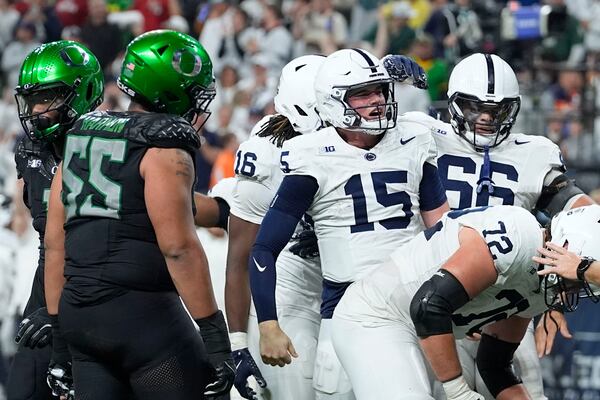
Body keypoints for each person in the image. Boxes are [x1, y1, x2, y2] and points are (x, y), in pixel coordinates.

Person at [389, 52, 594, 397]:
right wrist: (385, 81)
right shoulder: (420, 133)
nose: (485, 118)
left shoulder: (533, 152)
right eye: (473, 107)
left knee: (528, 388)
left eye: (497, 110)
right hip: (435, 293)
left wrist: (551, 297)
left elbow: (578, 215)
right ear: (454, 104)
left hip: (507, 301)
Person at [42, 30, 234, 399]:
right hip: (141, 317)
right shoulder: (164, 147)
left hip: (79, 319)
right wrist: (216, 337)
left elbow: (54, 245)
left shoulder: (80, 137)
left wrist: (59, 342)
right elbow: (177, 246)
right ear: (170, 89)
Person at [248, 48, 449, 400]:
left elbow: (443, 232)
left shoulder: (414, 137)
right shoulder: (309, 153)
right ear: (331, 103)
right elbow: (264, 247)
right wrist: (267, 322)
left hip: (414, 303)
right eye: (362, 94)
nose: (377, 101)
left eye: (379, 90)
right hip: (344, 309)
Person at [331, 204, 600, 400]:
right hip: (377, 317)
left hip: (426, 334)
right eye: (578, 278)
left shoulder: (541, 284)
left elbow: (494, 364)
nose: (573, 290)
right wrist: (459, 393)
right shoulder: (520, 235)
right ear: (565, 247)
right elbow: (428, 305)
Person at [7, 40, 104, 400]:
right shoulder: (32, 151)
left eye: (46, 98)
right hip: (49, 280)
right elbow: (47, 238)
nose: (35, 110)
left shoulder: (113, 144)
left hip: (103, 289)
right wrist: (48, 306)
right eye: (31, 100)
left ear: (82, 92)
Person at [225, 54, 325, 400]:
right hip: (290, 293)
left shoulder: (361, 139)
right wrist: (238, 343)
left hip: (350, 290)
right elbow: (241, 254)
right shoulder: (267, 154)